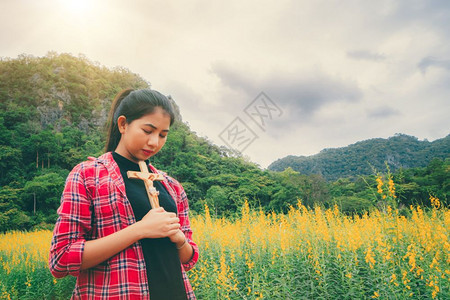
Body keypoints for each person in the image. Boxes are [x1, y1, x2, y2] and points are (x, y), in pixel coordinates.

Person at [49, 89, 199, 300]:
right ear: (123, 124)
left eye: (163, 135)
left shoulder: (172, 186)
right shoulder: (88, 175)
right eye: (148, 131)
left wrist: (180, 240)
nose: (155, 142)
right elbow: (61, 259)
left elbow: (189, 259)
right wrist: (140, 230)